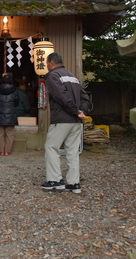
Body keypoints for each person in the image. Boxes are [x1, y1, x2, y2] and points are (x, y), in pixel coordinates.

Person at [41, 52, 90, 194]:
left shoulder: (53, 76)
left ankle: (55, 181)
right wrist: (82, 112)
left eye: (46, 64)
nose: (47, 67)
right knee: (73, 152)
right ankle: (74, 183)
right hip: (76, 121)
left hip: (62, 119)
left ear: (51, 63)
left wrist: (75, 111)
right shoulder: (72, 76)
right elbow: (84, 96)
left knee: (51, 147)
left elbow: (62, 96)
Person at [0, 75, 19, 155]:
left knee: (0, 133)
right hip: (10, 113)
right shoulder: (14, 90)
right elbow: (16, 102)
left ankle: (1, 151)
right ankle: (7, 151)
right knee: (10, 133)